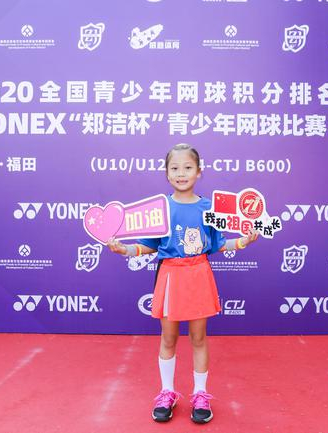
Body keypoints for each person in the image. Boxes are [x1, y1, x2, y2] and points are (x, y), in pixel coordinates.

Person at [107, 143, 259, 424]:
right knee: (168, 338)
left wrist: (244, 241)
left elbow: (218, 244)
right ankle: (167, 392)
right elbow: (148, 246)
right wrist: (124, 250)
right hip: (170, 276)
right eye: (175, 168)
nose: (181, 173)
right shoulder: (161, 208)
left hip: (198, 275)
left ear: (199, 172)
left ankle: (200, 394)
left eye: (188, 167)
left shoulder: (209, 208)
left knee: (198, 338)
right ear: (167, 174)